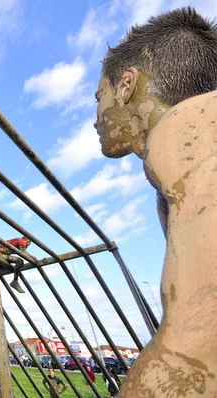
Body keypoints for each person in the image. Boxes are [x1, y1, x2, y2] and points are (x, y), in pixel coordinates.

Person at [94, 7, 217, 395]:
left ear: (126, 84)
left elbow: (191, 354)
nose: (96, 117)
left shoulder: (188, 132)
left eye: (100, 96)